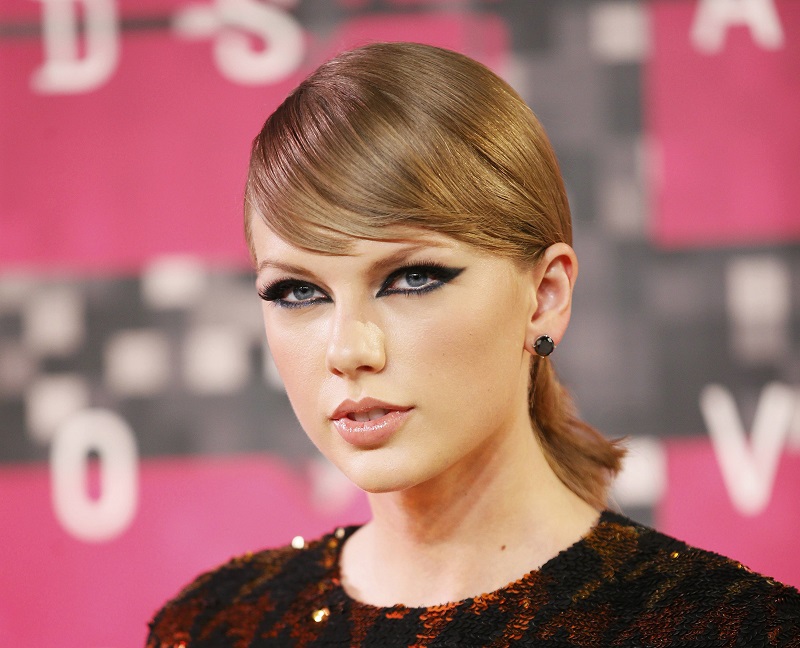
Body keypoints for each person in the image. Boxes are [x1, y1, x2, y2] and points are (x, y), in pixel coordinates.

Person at [147, 42, 800, 647]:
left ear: (545, 296)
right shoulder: (217, 627)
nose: (348, 350)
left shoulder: (727, 630)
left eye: (411, 278)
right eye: (296, 292)